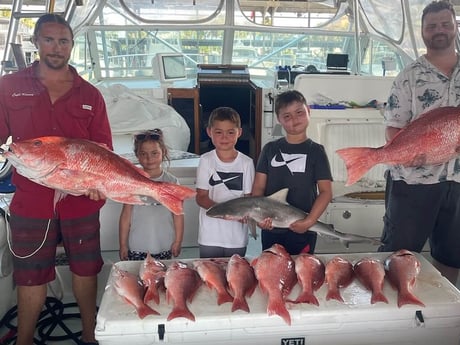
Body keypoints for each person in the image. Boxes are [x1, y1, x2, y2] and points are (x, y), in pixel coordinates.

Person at [0, 14, 112, 345]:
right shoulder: (8, 87)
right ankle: (24, 340)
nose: (56, 47)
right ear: (35, 42)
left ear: (72, 46)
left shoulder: (91, 94)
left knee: (86, 269)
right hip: (31, 200)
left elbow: (104, 149)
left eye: (63, 41)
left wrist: (99, 183)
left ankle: (90, 338)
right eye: (48, 40)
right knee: (30, 275)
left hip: (81, 200)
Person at [378, 0, 460, 287]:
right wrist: (408, 152)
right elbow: (393, 127)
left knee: (451, 255)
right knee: (397, 252)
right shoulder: (408, 77)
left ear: (455, 28)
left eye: (445, 24)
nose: (439, 30)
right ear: (423, 32)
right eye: (432, 26)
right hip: (414, 180)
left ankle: (443, 313)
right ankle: (393, 313)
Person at [251, 90, 333, 255]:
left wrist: (309, 221)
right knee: (272, 272)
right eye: (287, 116)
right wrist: (258, 218)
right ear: (279, 120)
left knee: (303, 274)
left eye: (299, 113)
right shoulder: (269, 149)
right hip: (271, 228)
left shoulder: (316, 151)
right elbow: (258, 188)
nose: (294, 120)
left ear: (308, 111)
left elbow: (325, 192)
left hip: (304, 230)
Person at [196, 107, 255, 258]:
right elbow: (201, 197)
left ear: (239, 133)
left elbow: (249, 199)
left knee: (236, 277)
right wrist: (224, 211)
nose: (224, 137)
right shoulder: (206, 160)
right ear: (209, 132)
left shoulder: (247, 163)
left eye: (230, 132)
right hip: (210, 236)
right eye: (218, 132)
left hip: (237, 237)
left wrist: (241, 214)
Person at [119, 128, 184, 261]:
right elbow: (126, 216)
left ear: (163, 152)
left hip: (164, 246)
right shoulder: (132, 180)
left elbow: (178, 215)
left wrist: (178, 241)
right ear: (137, 155)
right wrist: (123, 245)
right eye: (143, 154)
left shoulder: (172, 181)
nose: (149, 158)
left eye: (154, 153)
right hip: (137, 247)